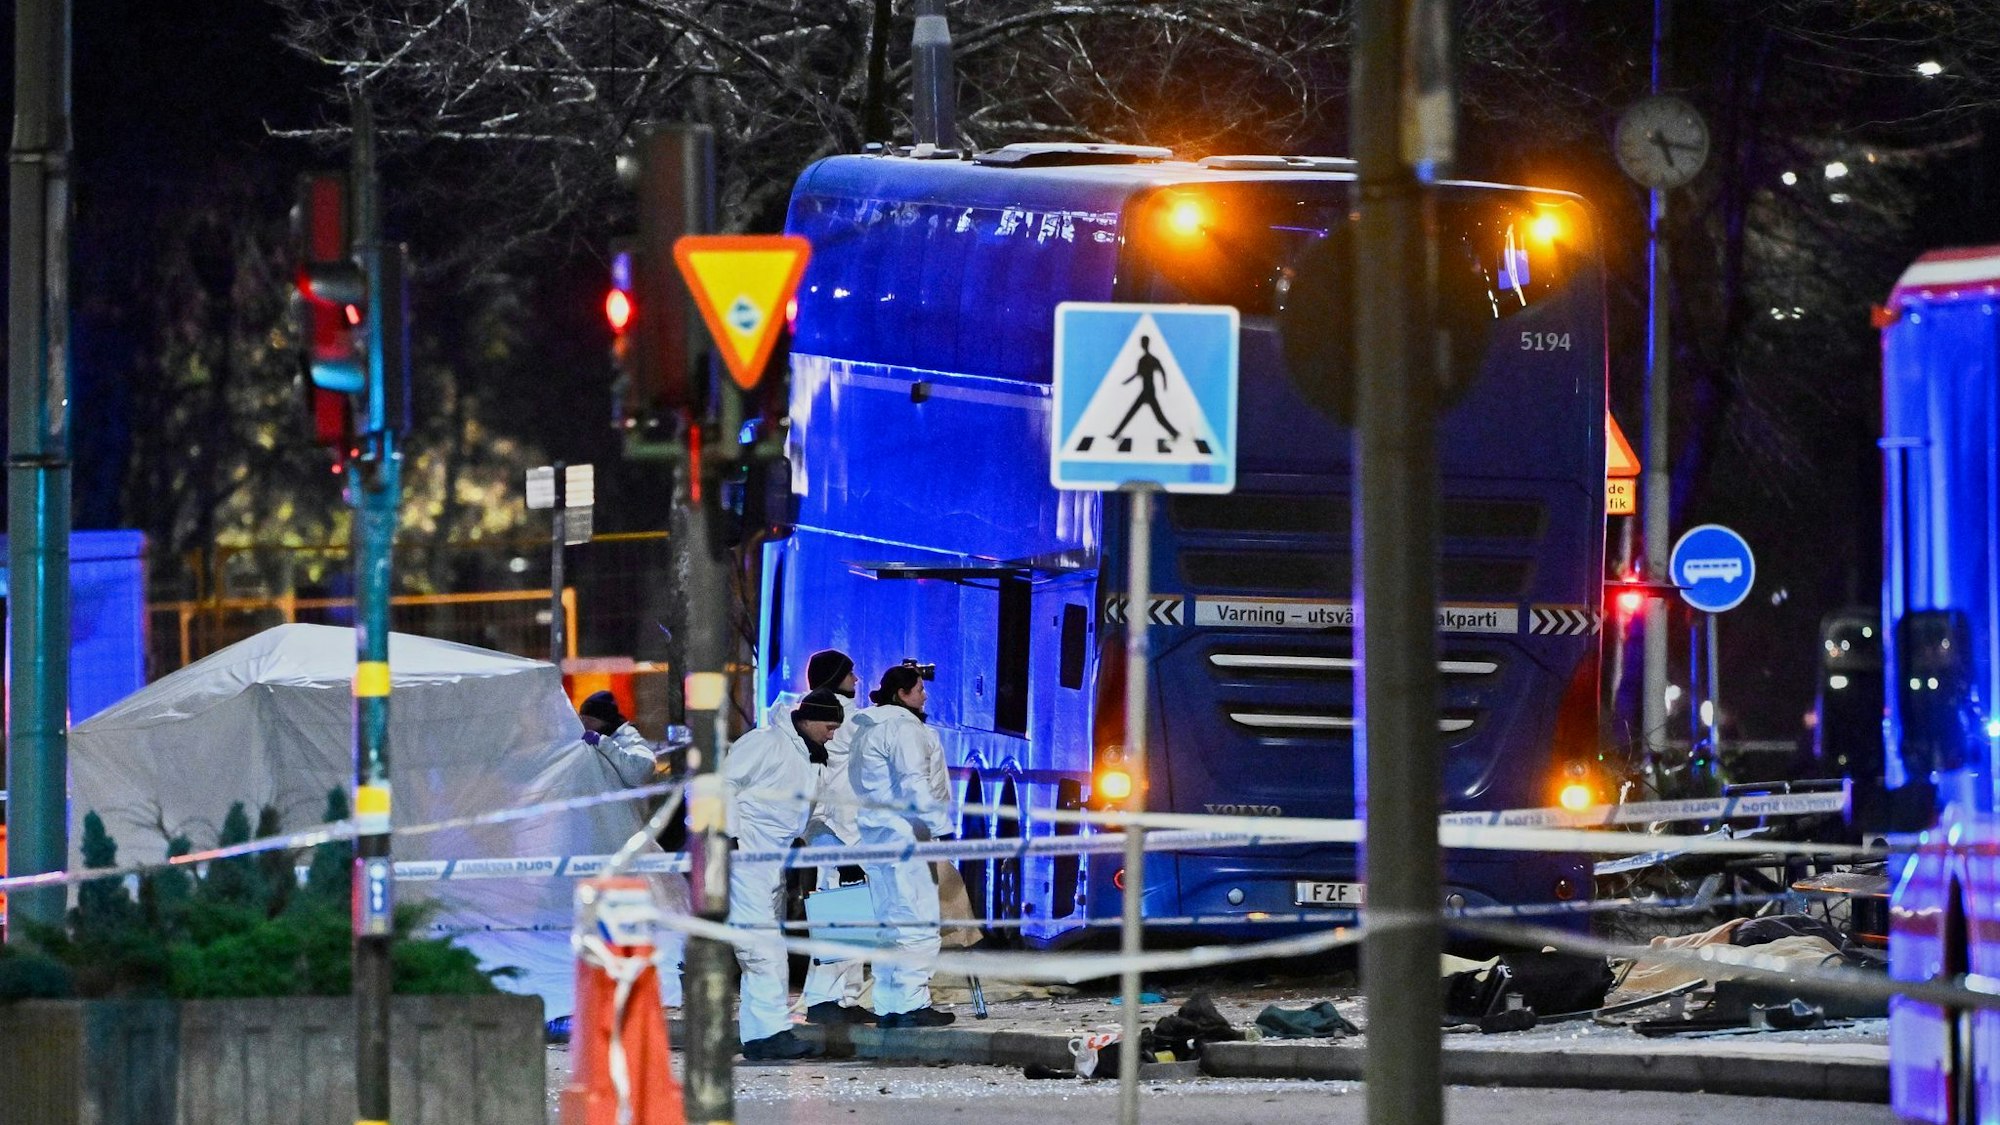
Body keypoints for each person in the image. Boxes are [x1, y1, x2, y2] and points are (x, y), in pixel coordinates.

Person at [724, 688, 844, 1061]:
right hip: (745, 857)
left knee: (764, 946)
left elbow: (814, 818)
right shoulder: (764, 743)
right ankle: (768, 1034)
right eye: (829, 725)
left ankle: (763, 1034)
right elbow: (720, 784)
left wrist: (841, 853)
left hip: (769, 865)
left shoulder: (812, 759)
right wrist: (725, 837)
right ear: (808, 720)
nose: (832, 733)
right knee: (762, 948)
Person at [846, 662, 958, 1028]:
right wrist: (941, 828)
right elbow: (914, 782)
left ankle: (890, 1004)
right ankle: (910, 1003)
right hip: (909, 837)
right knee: (919, 922)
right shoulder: (904, 729)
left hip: (876, 837)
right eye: (920, 689)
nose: (925, 695)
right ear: (902, 694)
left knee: (890, 925)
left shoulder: (867, 729)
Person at [795, 649, 874, 1025]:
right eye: (850, 674)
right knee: (843, 915)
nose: (856, 681)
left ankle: (843, 998)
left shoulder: (832, 720)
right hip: (842, 834)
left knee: (852, 916)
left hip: (838, 833)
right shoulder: (847, 721)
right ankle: (826, 999)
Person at [578, 690, 656, 788]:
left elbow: (639, 773)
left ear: (606, 721)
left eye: (591, 720)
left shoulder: (628, 738)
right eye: (583, 720)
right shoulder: (588, 741)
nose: (585, 725)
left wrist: (603, 744)